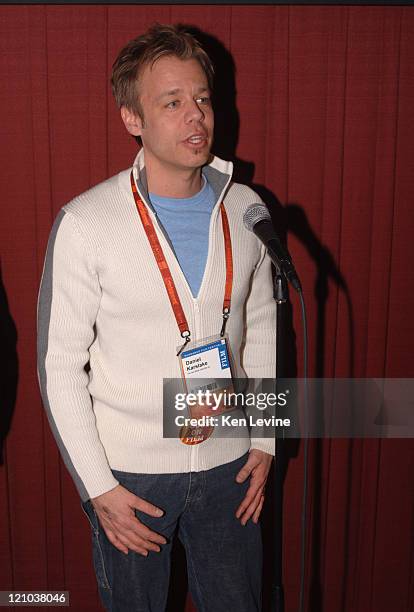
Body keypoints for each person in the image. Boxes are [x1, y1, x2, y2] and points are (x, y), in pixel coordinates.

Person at [37, 23, 276, 612]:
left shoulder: (247, 209)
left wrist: (266, 439)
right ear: (132, 119)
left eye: (201, 99)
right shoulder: (86, 222)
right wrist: (99, 489)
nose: (194, 116)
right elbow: (61, 367)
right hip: (131, 478)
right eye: (171, 103)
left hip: (230, 465)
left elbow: (265, 327)